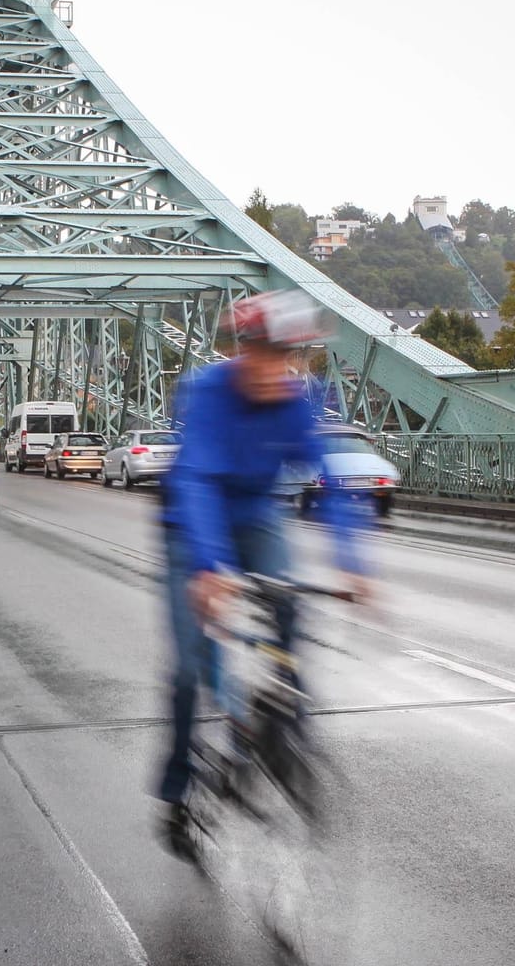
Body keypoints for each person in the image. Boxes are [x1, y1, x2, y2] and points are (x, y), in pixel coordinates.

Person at [156, 290, 368, 858]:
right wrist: (209, 569)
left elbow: (331, 481)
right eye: (272, 355)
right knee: (189, 669)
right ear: (243, 350)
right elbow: (196, 480)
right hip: (193, 526)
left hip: (257, 519)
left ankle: (280, 729)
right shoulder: (206, 393)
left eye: (293, 356)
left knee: (289, 608)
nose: (284, 369)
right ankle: (177, 789)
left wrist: (353, 564)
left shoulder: (299, 400)